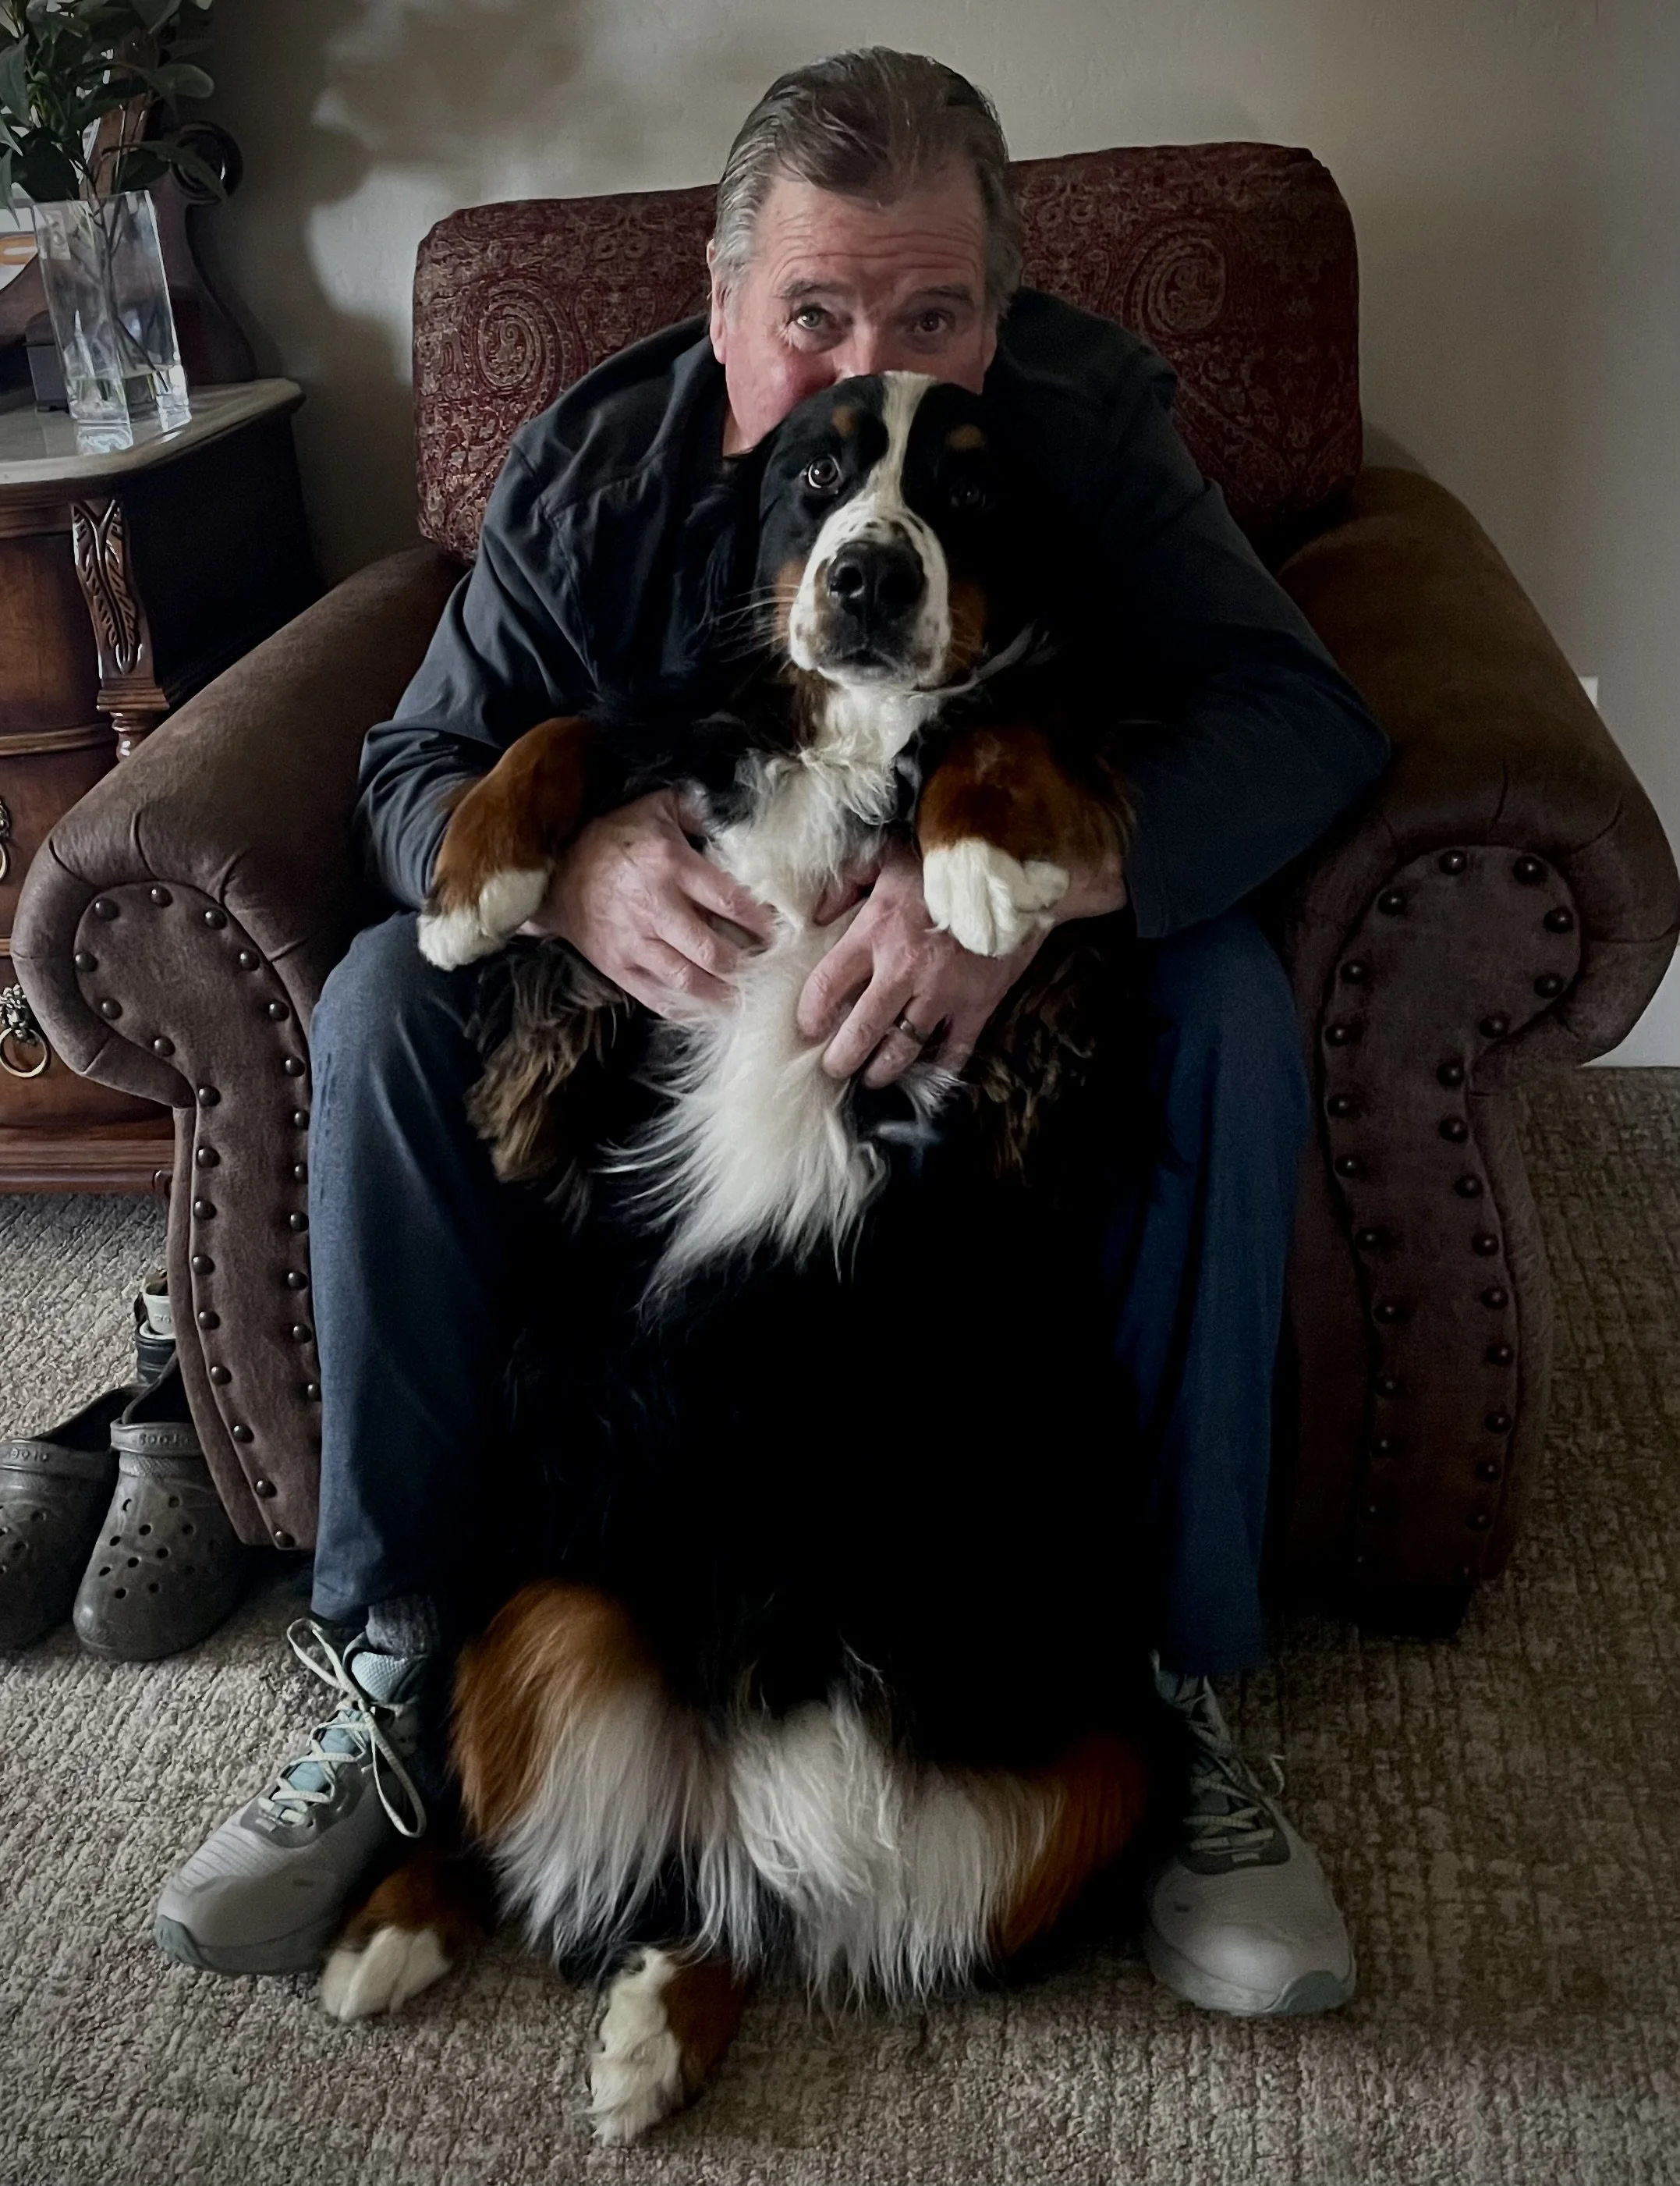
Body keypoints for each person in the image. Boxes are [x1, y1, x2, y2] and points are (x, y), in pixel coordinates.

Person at [154, 48, 1388, 2019]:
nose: (866, 364)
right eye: (813, 314)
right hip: (657, 1010)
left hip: (989, 1008)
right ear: (722, 306)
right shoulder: (591, 462)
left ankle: (1174, 1675)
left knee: (1227, 994)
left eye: (932, 316)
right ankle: (399, 1656)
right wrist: (573, 874)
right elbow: (410, 768)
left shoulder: (1083, 433)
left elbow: (1303, 716)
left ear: (999, 317)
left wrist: (1056, 885)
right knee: (386, 994)